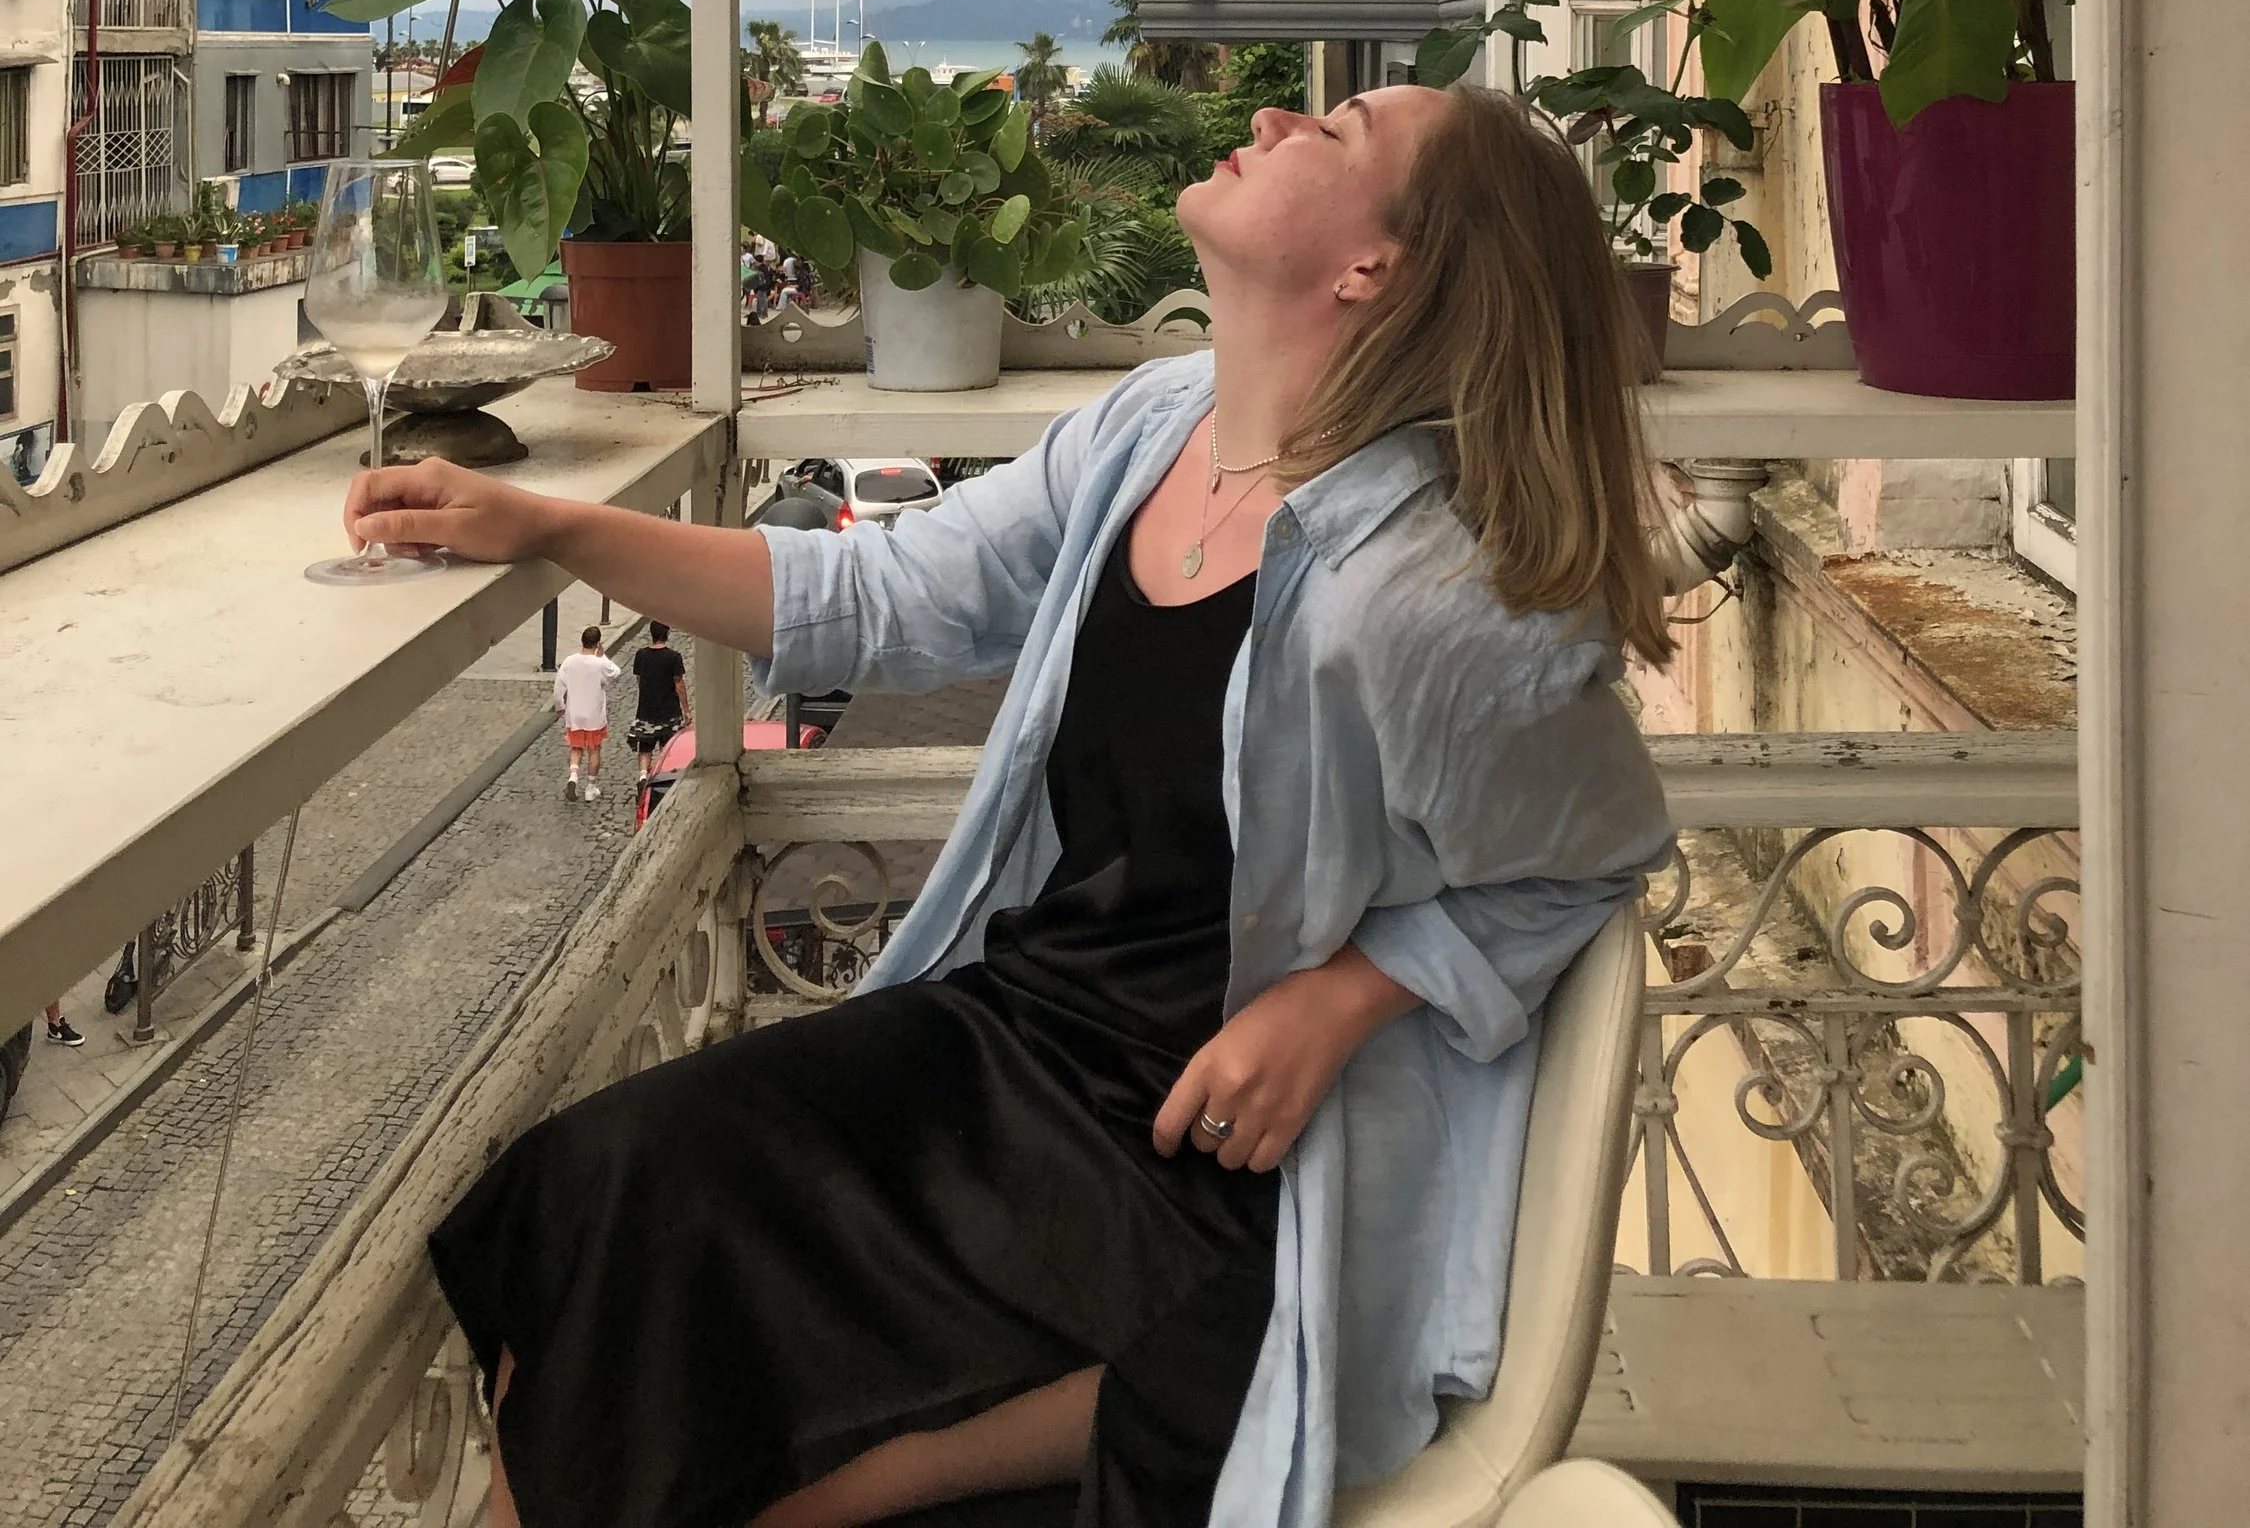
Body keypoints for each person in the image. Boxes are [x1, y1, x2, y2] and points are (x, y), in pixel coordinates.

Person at [343, 85, 1675, 1528]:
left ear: (1372, 267)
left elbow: (1587, 861)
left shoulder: (1428, 596)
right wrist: (551, 526)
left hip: (1195, 1152)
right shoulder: (1155, 427)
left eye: (1336, 131)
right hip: (1015, 1039)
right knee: (615, 1186)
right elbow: (883, 595)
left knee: (715, 1424)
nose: (1275, 116)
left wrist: (1343, 998)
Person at [551, 625, 619, 804]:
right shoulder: (600, 663)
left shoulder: (569, 661)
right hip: (594, 715)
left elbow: (558, 688)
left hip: (575, 713)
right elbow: (615, 673)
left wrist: (560, 706)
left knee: (576, 748)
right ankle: (590, 788)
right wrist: (602, 656)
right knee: (594, 750)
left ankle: (573, 777)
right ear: (597, 643)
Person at [629, 620, 689, 779]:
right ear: (667, 634)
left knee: (645, 748)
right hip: (669, 711)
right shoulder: (674, 657)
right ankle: (664, 776)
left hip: (646, 710)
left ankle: (643, 776)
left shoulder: (641, 655)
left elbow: (639, 680)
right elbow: (679, 684)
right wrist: (686, 710)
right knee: (667, 748)